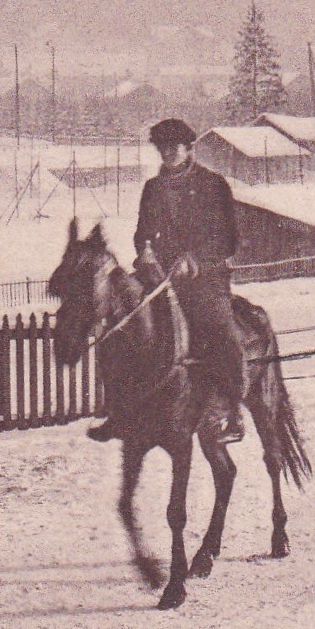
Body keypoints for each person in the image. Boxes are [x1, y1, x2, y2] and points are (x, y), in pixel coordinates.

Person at [89, 117, 246, 444]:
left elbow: (228, 239)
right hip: (159, 276)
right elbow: (142, 233)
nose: (168, 153)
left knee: (221, 329)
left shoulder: (213, 185)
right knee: (121, 323)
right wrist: (145, 252)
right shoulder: (153, 188)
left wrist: (196, 260)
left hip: (205, 279)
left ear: (189, 148)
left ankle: (230, 411)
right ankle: (118, 410)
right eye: (162, 148)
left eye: (174, 147)